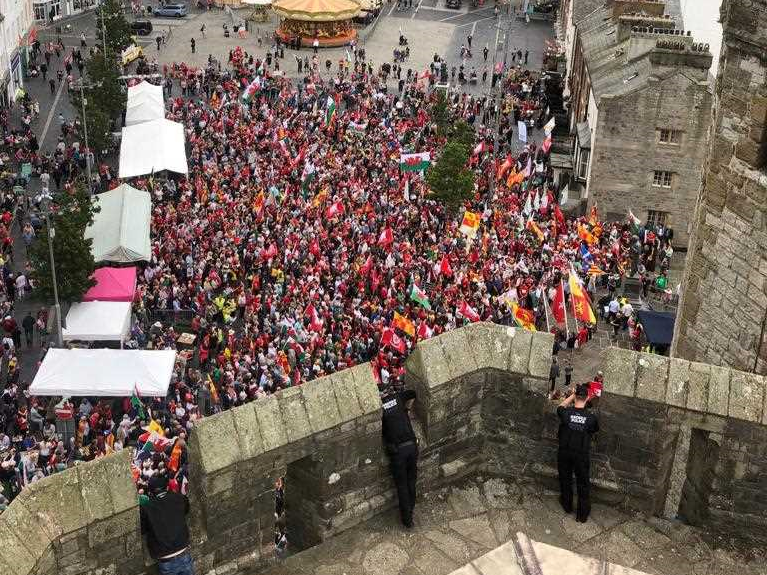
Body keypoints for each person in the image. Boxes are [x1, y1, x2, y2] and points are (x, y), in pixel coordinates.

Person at [556, 384, 599, 523]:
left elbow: (560, 407)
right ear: (587, 398)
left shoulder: (566, 413)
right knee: (583, 483)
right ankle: (582, 514)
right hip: (581, 453)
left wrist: (572, 396)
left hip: (565, 451)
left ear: (575, 397)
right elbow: (594, 430)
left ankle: (567, 504)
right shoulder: (591, 418)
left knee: (565, 478)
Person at [140, 476, 195, 575]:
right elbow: (186, 510)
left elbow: (143, 529)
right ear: (167, 487)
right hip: (183, 552)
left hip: (165, 558)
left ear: (150, 492)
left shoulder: (146, 509)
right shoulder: (179, 498)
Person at [381, 386, 418, 528]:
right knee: (411, 481)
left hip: (397, 451)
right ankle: (411, 509)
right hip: (411, 446)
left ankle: (407, 519)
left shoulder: (381, 409)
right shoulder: (398, 398)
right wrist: (407, 409)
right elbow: (413, 392)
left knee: (402, 485)